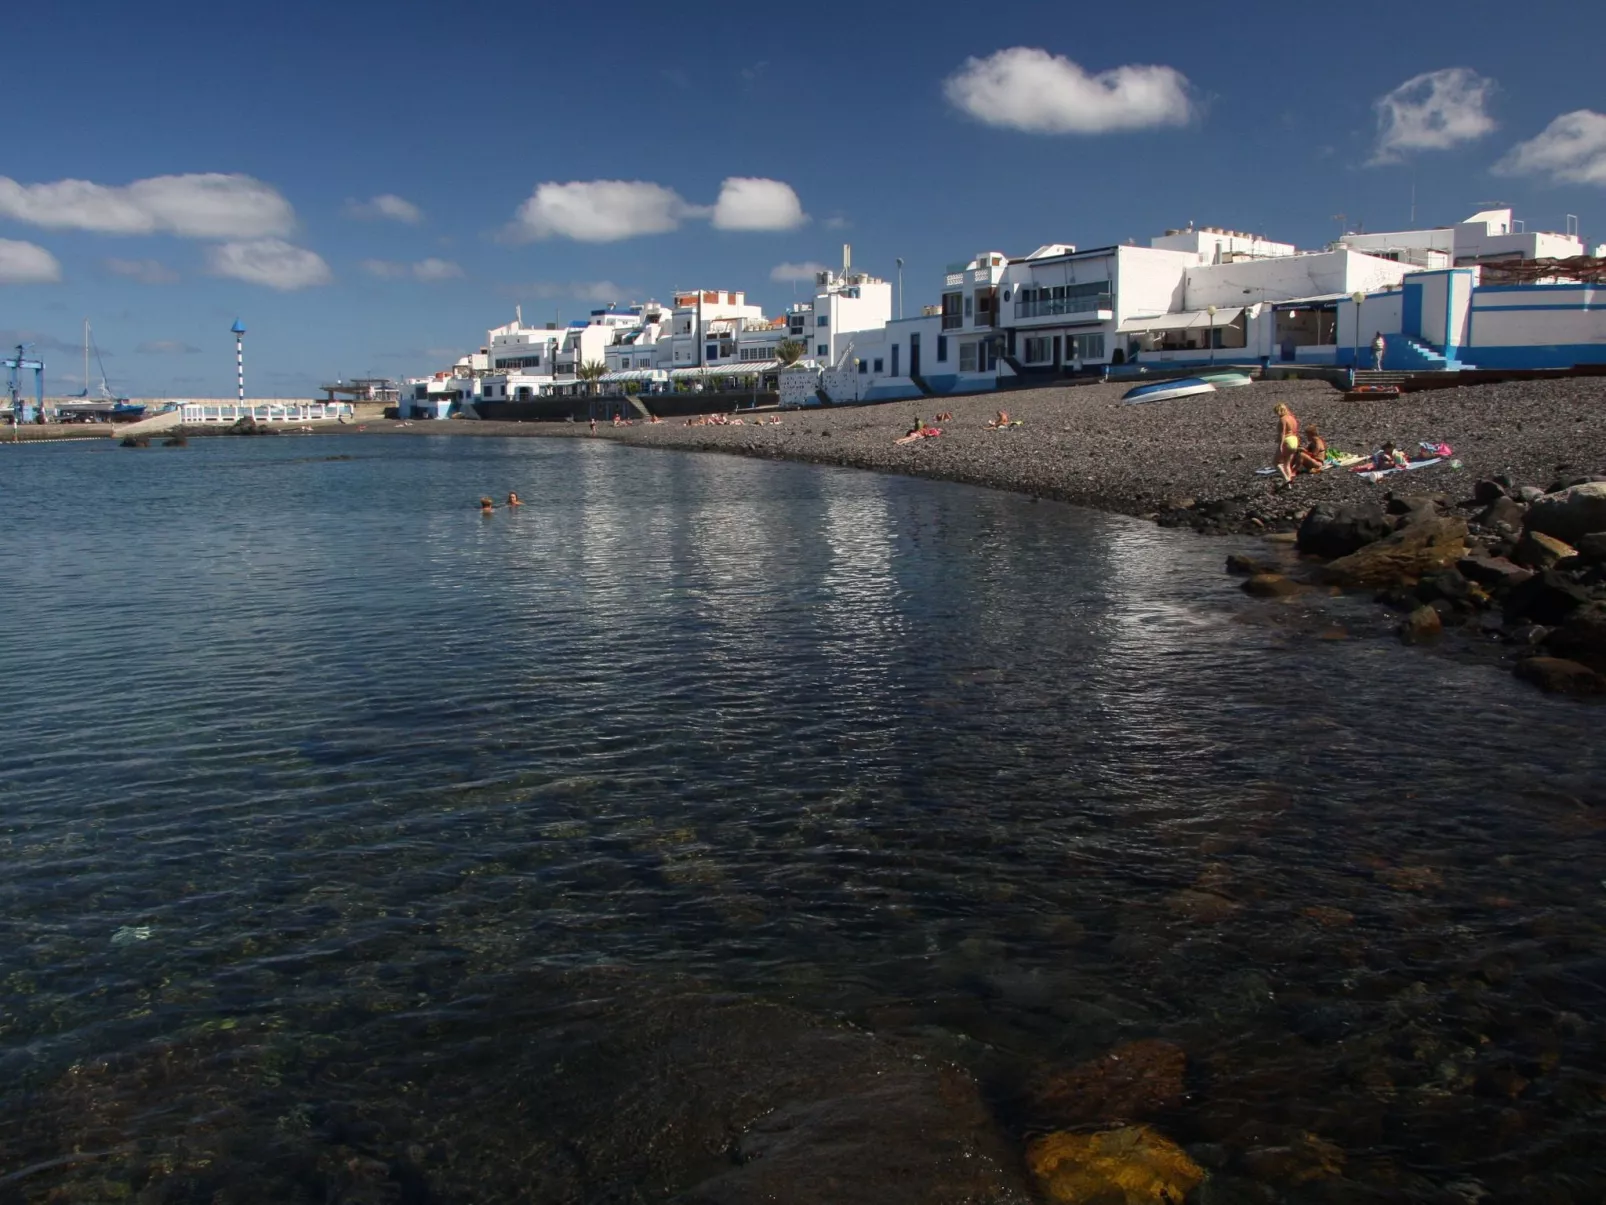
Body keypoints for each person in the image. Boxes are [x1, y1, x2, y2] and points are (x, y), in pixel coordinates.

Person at [1274, 403, 1300, 483]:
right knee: (1287, 463)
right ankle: (1289, 484)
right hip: (1294, 440)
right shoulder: (1292, 418)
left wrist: (1280, 446)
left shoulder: (1283, 419)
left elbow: (1282, 433)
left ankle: (1286, 479)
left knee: (1276, 462)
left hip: (1287, 441)